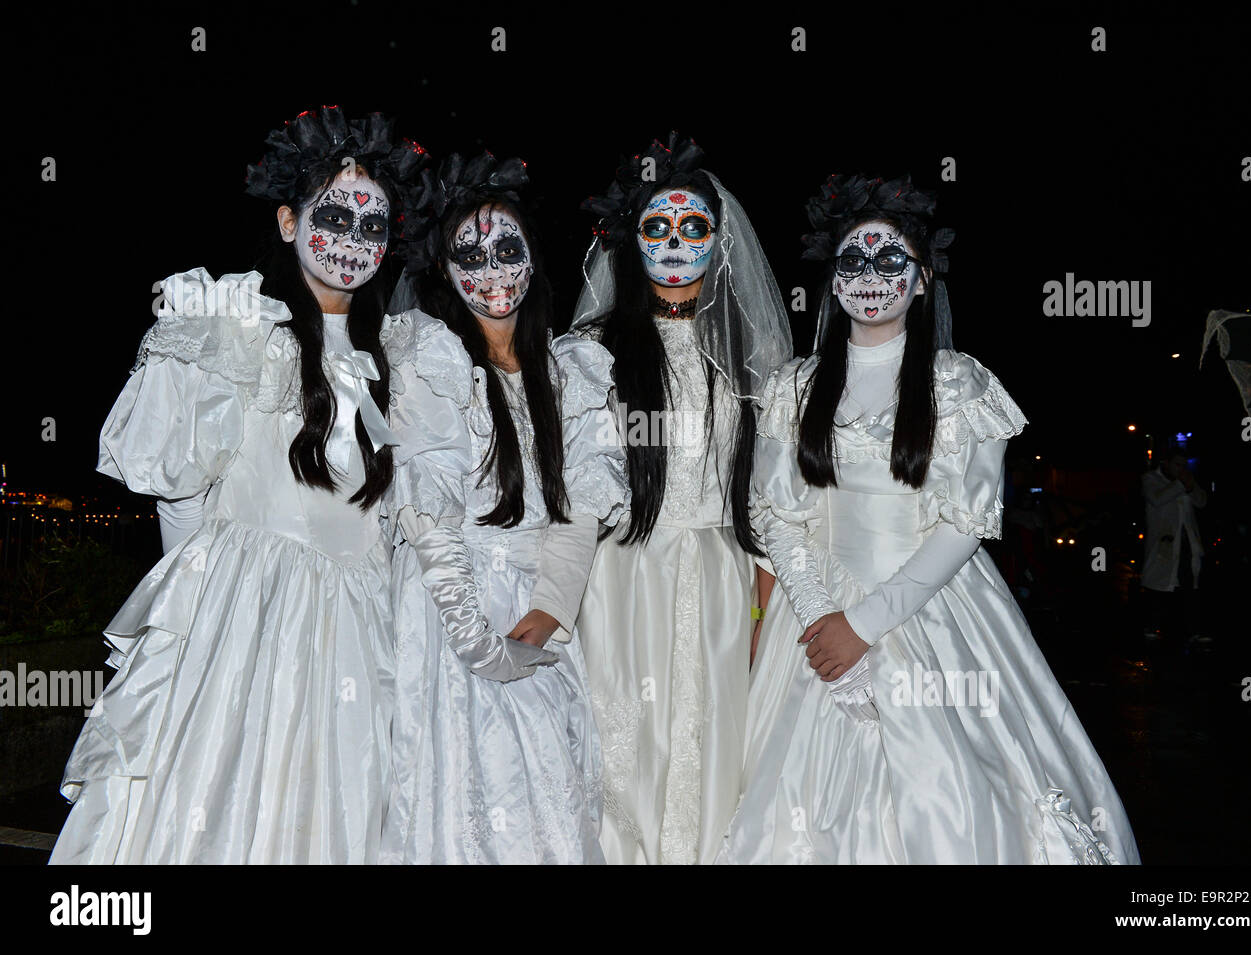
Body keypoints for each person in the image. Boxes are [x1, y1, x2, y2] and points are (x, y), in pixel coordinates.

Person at [50, 106, 436, 863]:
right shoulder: (237, 325)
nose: (353, 241)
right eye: (335, 216)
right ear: (290, 221)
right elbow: (181, 487)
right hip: (245, 609)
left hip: (360, 626)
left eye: (372, 227)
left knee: (336, 800)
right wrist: (197, 614)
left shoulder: (404, 356)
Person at [719, 174, 1140, 864]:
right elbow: (778, 519)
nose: (872, 277)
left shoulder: (959, 383)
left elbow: (964, 524)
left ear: (921, 282)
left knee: (952, 794)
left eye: (892, 262)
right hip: (813, 613)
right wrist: (825, 616)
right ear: (832, 280)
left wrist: (865, 625)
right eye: (854, 260)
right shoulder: (792, 387)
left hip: (934, 609)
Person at [379, 153, 627, 864]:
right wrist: (468, 632)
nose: (491, 270)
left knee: (542, 795)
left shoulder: (571, 372)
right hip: (446, 611)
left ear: (532, 258)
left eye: (507, 249)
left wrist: (551, 608)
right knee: (456, 796)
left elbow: (580, 508)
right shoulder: (432, 359)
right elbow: (428, 510)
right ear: (447, 270)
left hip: (536, 613)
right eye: (471, 254)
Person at [569, 134, 792, 864]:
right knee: (621, 756)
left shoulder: (751, 360)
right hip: (618, 584)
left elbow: (766, 502)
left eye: (693, 227)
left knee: (715, 754)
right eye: (656, 227)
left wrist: (762, 607)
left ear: (719, 240)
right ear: (630, 242)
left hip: (723, 585)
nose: (674, 242)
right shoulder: (591, 355)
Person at [1141, 447, 1208, 643]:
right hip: (1163, 544)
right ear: (1166, 463)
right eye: (1177, 464)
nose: (1181, 469)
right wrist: (1180, 484)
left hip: (1187, 543)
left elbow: (1201, 501)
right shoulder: (1150, 479)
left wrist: (1191, 485)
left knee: (1190, 587)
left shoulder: (1186, 481)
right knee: (1158, 587)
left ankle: (1194, 630)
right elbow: (1157, 499)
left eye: (1184, 465)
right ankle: (1152, 626)